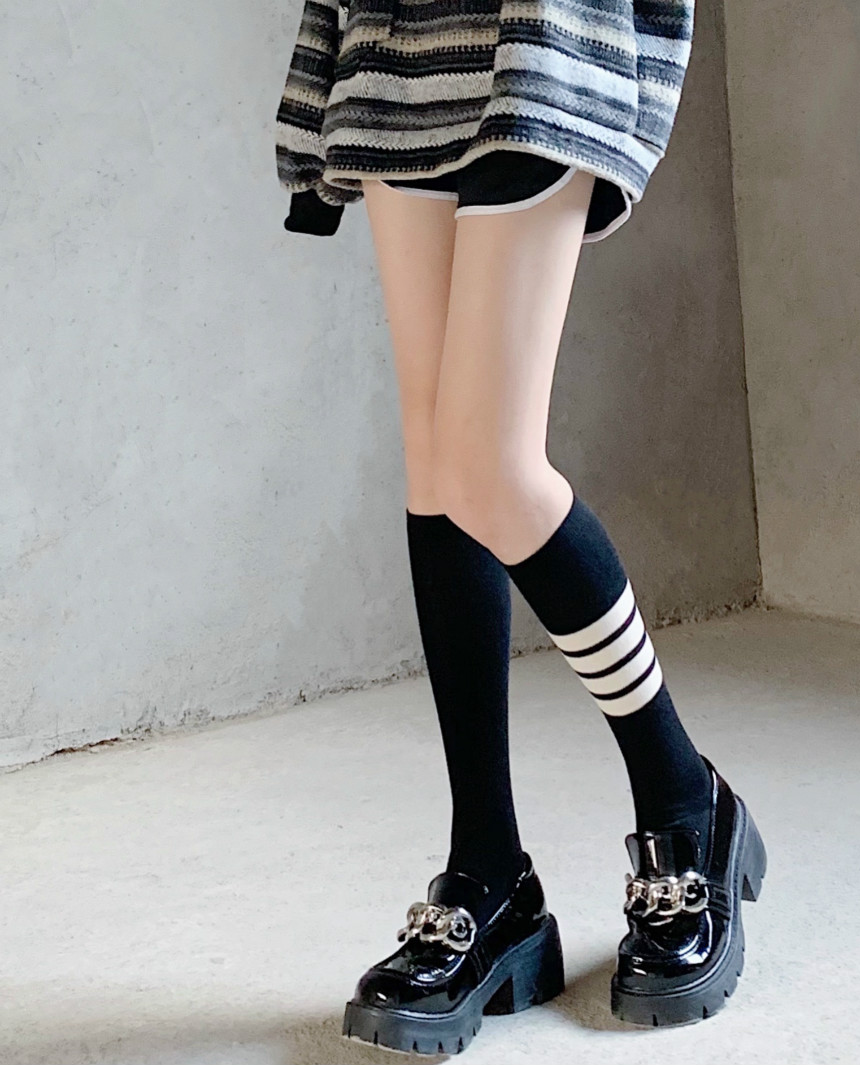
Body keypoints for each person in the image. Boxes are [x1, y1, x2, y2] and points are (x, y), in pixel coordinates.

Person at [275, 0, 767, 1054]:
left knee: (490, 466)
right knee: (437, 468)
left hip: (542, 29)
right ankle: (489, 872)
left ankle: (684, 797)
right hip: (403, 44)